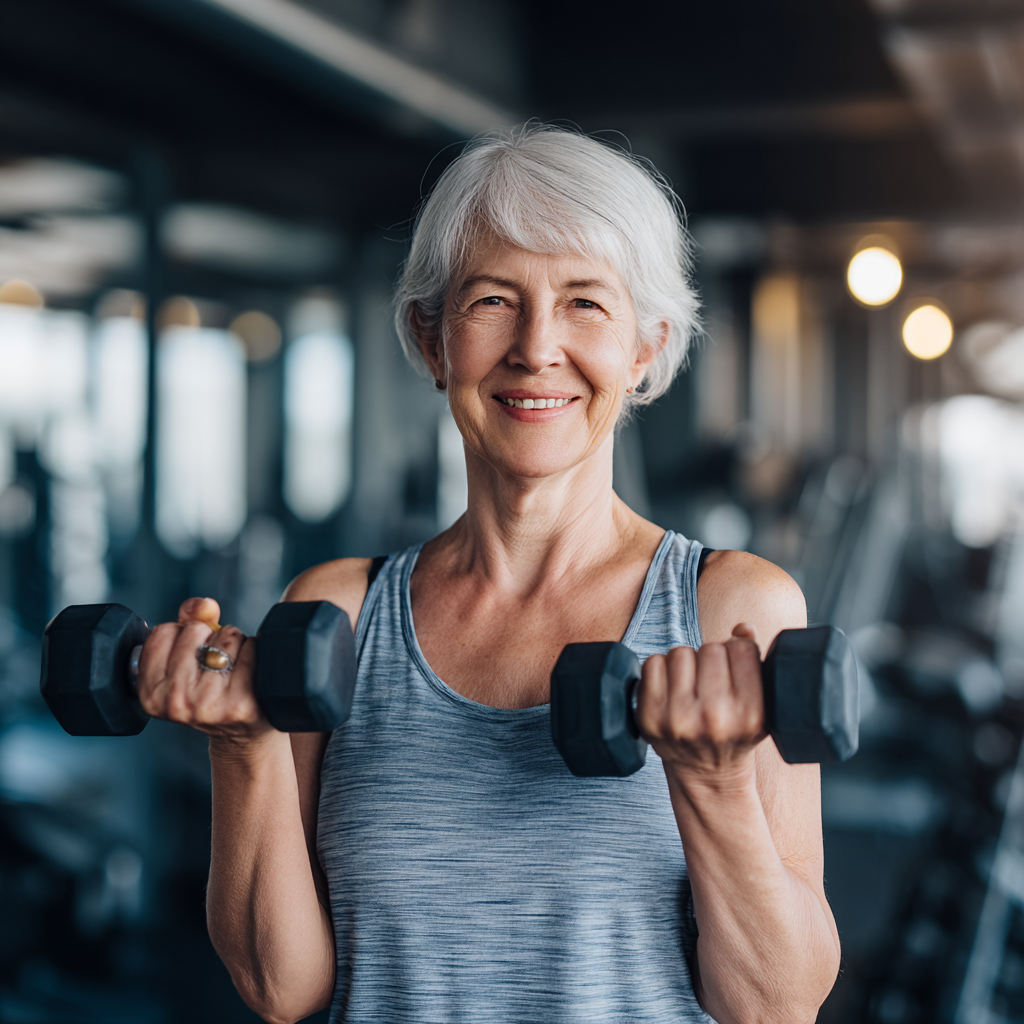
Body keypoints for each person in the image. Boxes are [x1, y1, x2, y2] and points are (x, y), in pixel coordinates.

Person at [136, 124, 840, 1024]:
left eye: (586, 303)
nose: (537, 347)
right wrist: (243, 747)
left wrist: (710, 782)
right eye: (493, 301)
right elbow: (283, 988)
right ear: (432, 343)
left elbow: (777, 1008)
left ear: (647, 349)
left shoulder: (735, 612)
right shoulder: (334, 615)